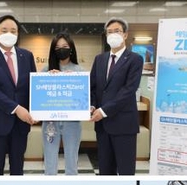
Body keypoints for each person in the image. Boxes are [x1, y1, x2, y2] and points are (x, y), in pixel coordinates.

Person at [0, 15, 37, 175]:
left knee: (18, 168)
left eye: (13, 30)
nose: (9, 34)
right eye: (4, 30)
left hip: (21, 125)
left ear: (18, 34)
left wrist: (38, 108)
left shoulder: (27, 56)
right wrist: (17, 108)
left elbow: (34, 86)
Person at [90, 17, 144, 175]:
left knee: (126, 171)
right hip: (102, 127)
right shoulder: (100, 59)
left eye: (117, 31)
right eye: (109, 32)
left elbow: (128, 90)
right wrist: (92, 105)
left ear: (125, 35)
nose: (113, 34)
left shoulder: (135, 59)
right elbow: (93, 87)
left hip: (124, 125)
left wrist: (104, 111)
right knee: (105, 171)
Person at [42, 32, 83, 175]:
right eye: (58, 47)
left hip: (72, 123)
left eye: (65, 46)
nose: (61, 49)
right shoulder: (46, 70)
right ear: (53, 50)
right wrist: (49, 79)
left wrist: (74, 81)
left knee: (72, 160)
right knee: (50, 161)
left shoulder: (79, 71)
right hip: (50, 123)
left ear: (71, 48)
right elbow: (40, 97)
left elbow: (83, 99)